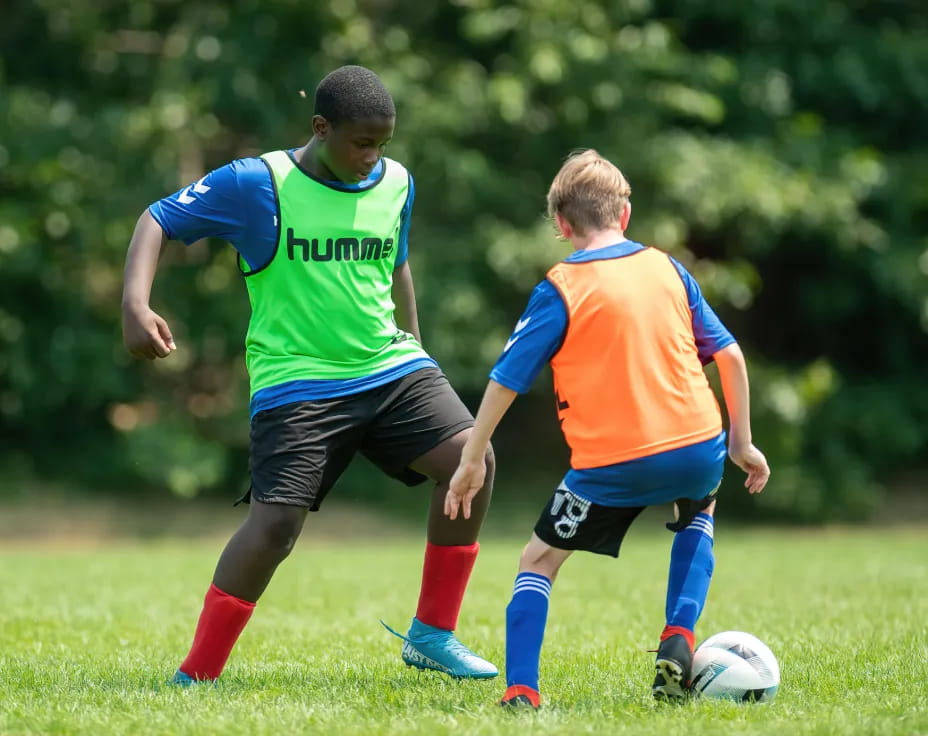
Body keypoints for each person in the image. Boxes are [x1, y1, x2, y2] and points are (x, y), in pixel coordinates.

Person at [121, 65, 498, 684]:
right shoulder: (257, 183)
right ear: (320, 128)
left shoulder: (395, 181)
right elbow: (157, 218)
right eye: (361, 142)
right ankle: (196, 675)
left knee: (471, 464)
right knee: (274, 529)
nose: (373, 157)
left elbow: (394, 261)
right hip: (298, 379)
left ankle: (433, 634)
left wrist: (417, 345)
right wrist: (135, 304)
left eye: (382, 143)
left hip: (389, 364)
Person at [444, 149, 770, 708]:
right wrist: (740, 441)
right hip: (698, 444)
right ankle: (679, 636)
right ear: (624, 214)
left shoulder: (560, 287)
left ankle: (522, 691)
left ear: (561, 224)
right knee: (698, 512)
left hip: (610, 465)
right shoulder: (668, 267)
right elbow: (731, 356)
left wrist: (472, 457)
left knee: (537, 561)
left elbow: (506, 381)